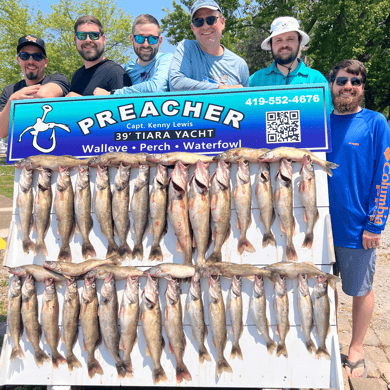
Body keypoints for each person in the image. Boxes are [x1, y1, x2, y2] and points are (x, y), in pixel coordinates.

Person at [327, 59, 390, 378]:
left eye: (355, 82)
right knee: (322, 290)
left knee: (360, 289)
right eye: (342, 81)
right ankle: (327, 341)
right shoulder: (319, 122)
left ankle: (357, 347)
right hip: (318, 229)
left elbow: (385, 172)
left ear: (363, 87)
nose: (348, 87)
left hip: (356, 228)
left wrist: (375, 223)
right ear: (331, 85)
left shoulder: (376, 122)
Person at [249, 17, 331, 109]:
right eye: (278, 40)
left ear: (299, 42)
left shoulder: (316, 80)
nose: (284, 45)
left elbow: (327, 118)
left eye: (290, 39)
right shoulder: (254, 81)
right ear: (270, 44)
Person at [169, 0, 249, 91]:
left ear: (222, 22)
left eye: (211, 20)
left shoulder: (239, 65)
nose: (205, 26)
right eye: (198, 22)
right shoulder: (186, 48)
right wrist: (220, 88)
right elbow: (175, 84)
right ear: (193, 28)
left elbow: (245, 102)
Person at [0, 35, 70, 138]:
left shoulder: (58, 79)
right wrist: (12, 99)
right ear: (18, 60)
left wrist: (17, 100)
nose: (31, 61)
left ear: (45, 62)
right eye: (25, 56)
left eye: (37, 56)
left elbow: (44, 94)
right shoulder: (10, 91)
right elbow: (2, 132)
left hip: (54, 147)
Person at [94, 14, 173, 96]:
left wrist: (114, 93)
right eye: (139, 38)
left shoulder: (167, 59)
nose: (145, 45)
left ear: (160, 41)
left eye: (152, 39)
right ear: (132, 39)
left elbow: (156, 88)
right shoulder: (127, 69)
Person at [67, 15, 132, 97]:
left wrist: (82, 102)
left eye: (94, 35)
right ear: (75, 40)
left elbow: (126, 108)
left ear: (103, 39)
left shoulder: (115, 72)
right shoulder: (76, 75)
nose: (88, 40)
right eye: (82, 35)